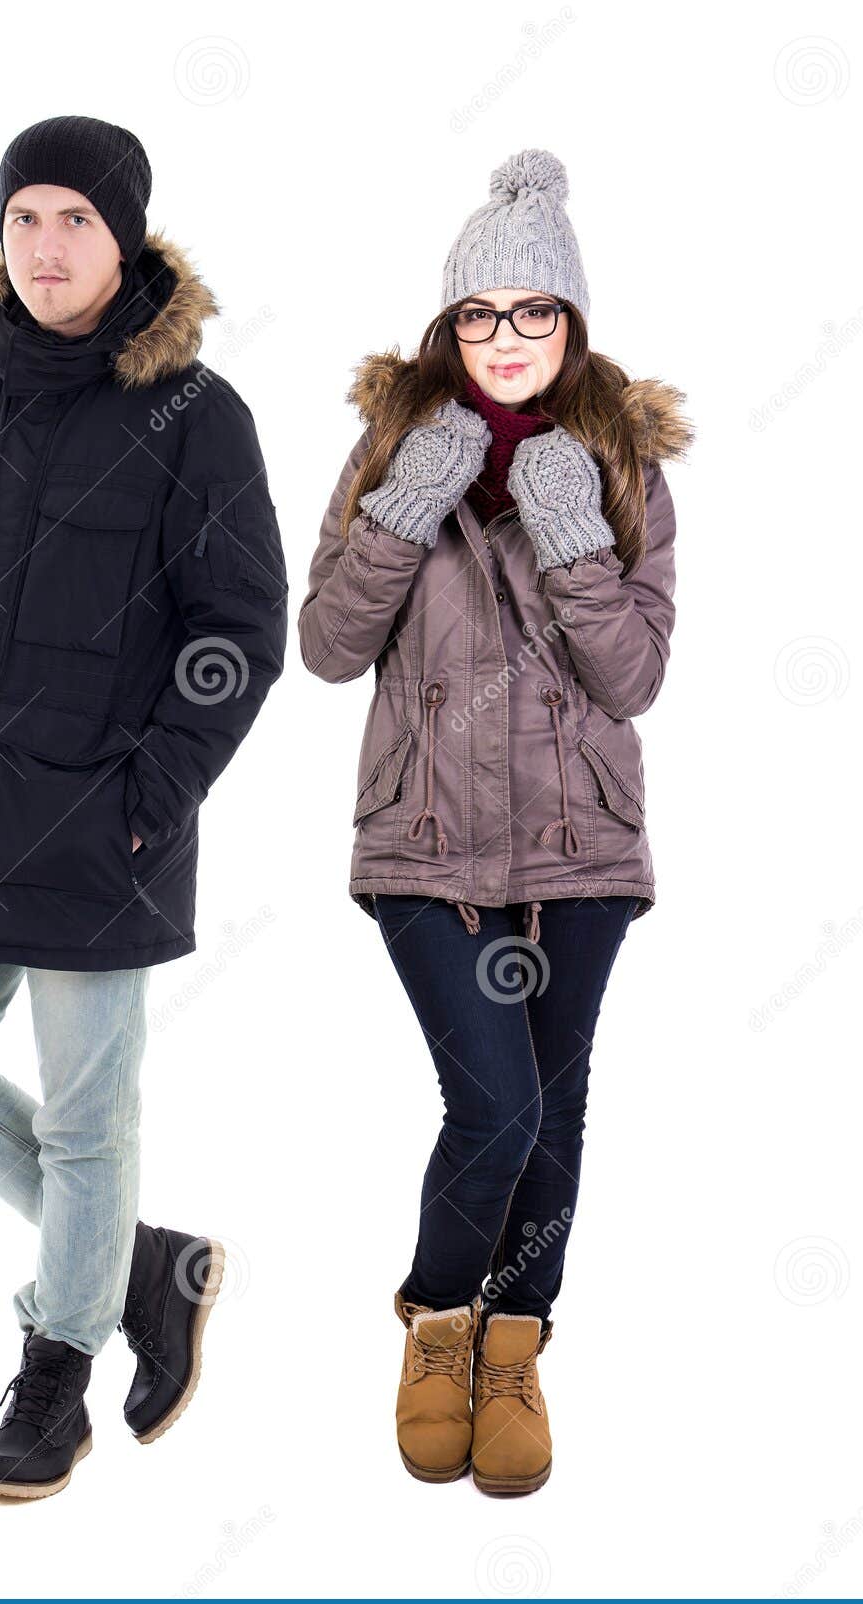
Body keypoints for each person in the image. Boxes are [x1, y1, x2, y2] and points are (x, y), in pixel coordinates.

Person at [0, 117, 287, 1500]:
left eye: (77, 223)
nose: (48, 247)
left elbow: (237, 630)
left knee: (93, 1122)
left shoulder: (196, 416)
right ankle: (139, 1258)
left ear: (128, 238)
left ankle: (60, 1372)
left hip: (105, 833)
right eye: (26, 218)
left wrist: (153, 796)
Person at [299, 150, 690, 1495]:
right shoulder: (390, 453)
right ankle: (439, 1320)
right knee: (497, 1105)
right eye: (481, 315)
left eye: (534, 313)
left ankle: (515, 1348)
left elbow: (633, 676)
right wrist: (408, 503)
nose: (506, 338)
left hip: (582, 854)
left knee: (555, 1115)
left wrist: (574, 536)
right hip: (425, 845)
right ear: (446, 330)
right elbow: (327, 645)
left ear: (573, 327)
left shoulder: (625, 465)